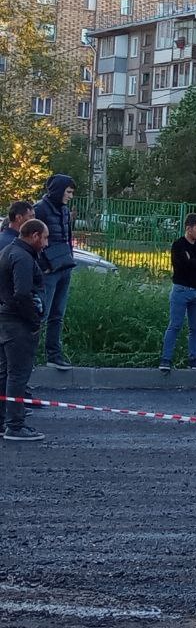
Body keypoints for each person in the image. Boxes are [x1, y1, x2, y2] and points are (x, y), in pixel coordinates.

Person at [0, 219, 49, 441]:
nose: (46, 244)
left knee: (5, 374)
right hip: (18, 324)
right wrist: (33, 320)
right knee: (18, 375)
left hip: (4, 320)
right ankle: (15, 426)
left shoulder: (8, 251)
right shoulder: (22, 257)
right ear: (35, 235)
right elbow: (22, 294)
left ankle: (4, 421)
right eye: (45, 238)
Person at [159, 214, 196, 373]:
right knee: (175, 325)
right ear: (188, 228)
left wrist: (194, 260)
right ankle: (166, 359)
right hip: (181, 290)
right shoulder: (178, 245)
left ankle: (194, 359)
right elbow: (182, 265)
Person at [33, 174, 76, 370]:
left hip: (65, 266)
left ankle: (53, 355)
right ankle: (29, 355)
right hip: (48, 271)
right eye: (68, 192)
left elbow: (67, 237)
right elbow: (33, 240)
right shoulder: (39, 209)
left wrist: (70, 257)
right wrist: (44, 265)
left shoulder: (65, 210)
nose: (70, 196)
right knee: (42, 313)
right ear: (58, 191)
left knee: (58, 314)